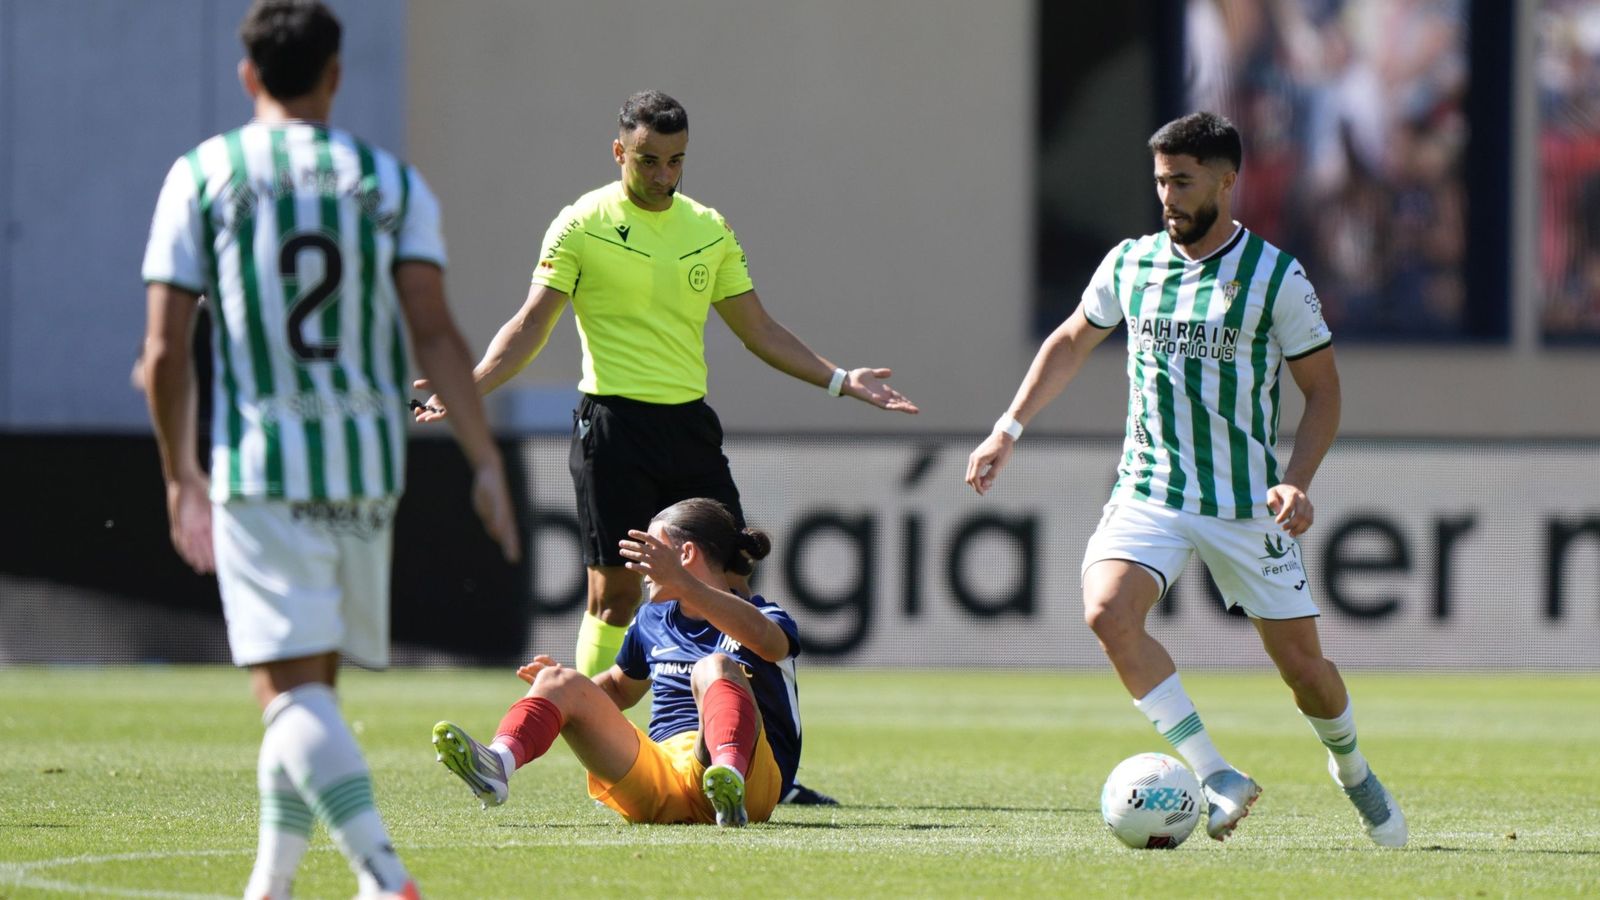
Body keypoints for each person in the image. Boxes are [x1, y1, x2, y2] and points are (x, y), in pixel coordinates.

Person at [415, 90, 914, 803]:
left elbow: (759, 330)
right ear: (619, 151)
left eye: (675, 162)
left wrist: (840, 379)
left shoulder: (707, 229)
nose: (663, 176)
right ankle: (591, 739)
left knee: (731, 588)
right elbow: (531, 325)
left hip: (689, 428)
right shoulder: (582, 224)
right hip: (611, 426)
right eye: (648, 160)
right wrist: (469, 386)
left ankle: (766, 765)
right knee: (616, 596)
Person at [140, 2, 521, 896]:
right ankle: (269, 887)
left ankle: (384, 876)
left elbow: (163, 352)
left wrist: (176, 472)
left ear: (247, 77)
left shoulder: (204, 174)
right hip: (363, 471)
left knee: (289, 698)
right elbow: (436, 334)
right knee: (311, 694)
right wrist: (485, 459)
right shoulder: (388, 182)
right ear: (336, 74)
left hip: (262, 467)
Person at [964, 112, 1406, 847]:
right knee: (1107, 613)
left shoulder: (1276, 277)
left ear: (1227, 182)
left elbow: (1323, 391)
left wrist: (1297, 481)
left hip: (1245, 503)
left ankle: (1353, 767)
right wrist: (1007, 428)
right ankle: (1214, 773)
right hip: (1151, 491)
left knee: (1305, 673)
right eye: (1161, 181)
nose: (1167, 196)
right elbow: (1072, 338)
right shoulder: (1132, 264)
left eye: (1183, 181)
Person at [431, 498, 802, 827]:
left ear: (685, 555)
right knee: (561, 680)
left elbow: (768, 641)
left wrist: (686, 586)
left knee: (714, 666)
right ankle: (497, 764)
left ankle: (727, 777)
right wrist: (557, 692)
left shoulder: (762, 615)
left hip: (751, 779)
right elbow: (617, 689)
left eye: (651, 550)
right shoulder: (652, 619)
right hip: (663, 776)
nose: (640, 568)